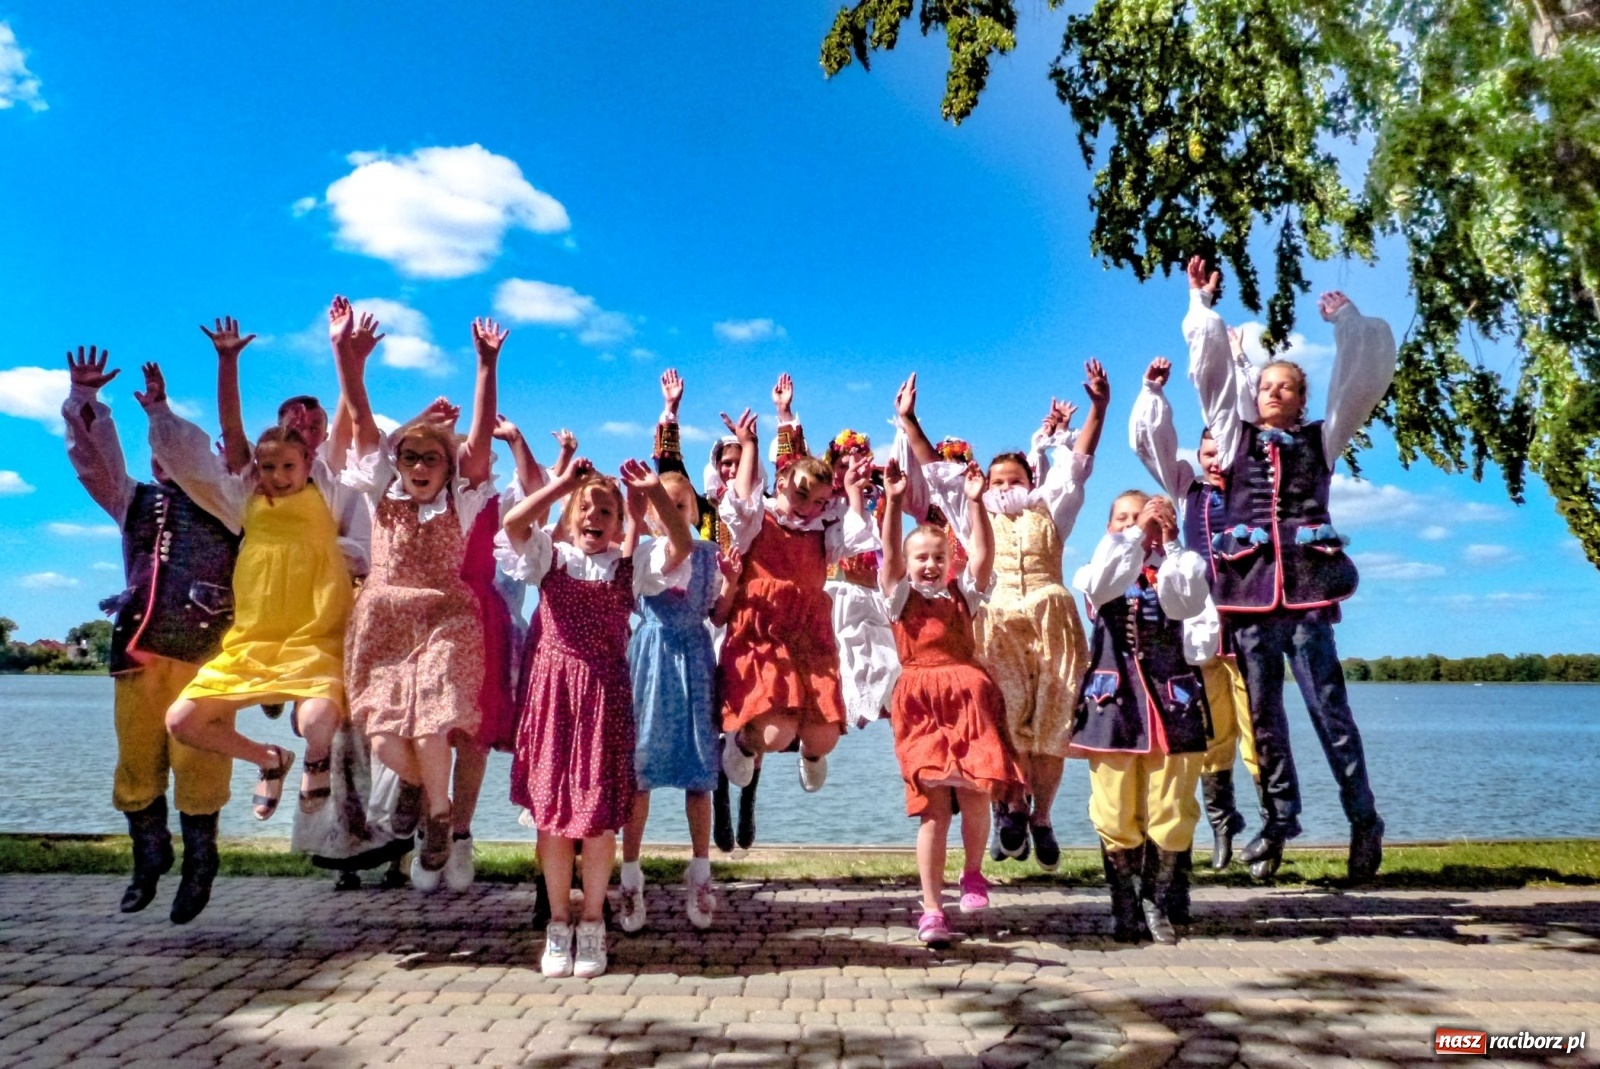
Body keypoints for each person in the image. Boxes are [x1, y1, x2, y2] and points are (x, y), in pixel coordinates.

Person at [1184, 256, 1395, 880]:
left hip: (1303, 595)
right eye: (1267, 385)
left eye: (1288, 387)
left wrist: (1347, 322)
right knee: (1264, 720)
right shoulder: (1233, 435)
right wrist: (1202, 306)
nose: (1274, 392)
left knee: (1330, 713)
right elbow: (1211, 377)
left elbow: (1361, 379)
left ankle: (1364, 822)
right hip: (1248, 596)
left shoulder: (1322, 440)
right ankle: (1279, 821)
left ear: (1303, 399)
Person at [146, 359, 357, 918]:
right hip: (252, 643)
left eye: (288, 465)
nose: (278, 475)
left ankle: (314, 759)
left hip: (313, 637)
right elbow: (233, 433)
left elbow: (344, 429)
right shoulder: (245, 502)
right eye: (269, 467)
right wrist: (227, 362)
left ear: (308, 461)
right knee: (183, 720)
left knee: (315, 721)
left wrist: (347, 361)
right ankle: (268, 759)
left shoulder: (328, 492)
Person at [896, 364, 1108, 870]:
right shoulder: (974, 513)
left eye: (1015, 478)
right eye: (997, 479)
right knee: (1005, 723)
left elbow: (1079, 461)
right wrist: (910, 422)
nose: (1006, 485)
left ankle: (1043, 817)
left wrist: (1100, 408)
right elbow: (936, 475)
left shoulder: (1053, 507)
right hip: (996, 624)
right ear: (986, 483)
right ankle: (1010, 808)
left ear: (1031, 481)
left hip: (1052, 623)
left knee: (1053, 727)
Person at [61, 346, 239, 924]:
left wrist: (163, 412)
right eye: (158, 457)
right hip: (138, 651)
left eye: (176, 454)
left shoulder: (233, 511)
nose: (166, 464)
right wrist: (86, 400)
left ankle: (201, 861)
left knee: (200, 762)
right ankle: (149, 851)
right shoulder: (132, 500)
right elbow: (97, 464)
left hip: (206, 655)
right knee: (137, 759)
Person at [337, 309, 507, 890]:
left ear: (447, 467)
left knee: (435, 721)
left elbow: (480, 437)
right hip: (384, 621)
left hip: (445, 616)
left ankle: (439, 821)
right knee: (384, 739)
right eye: (408, 457)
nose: (418, 466)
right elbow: (360, 418)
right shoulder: (380, 493)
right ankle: (415, 788)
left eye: (430, 458)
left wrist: (486, 366)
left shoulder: (460, 502)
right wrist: (348, 359)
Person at [501, 455, 689, 978]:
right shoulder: (550, 559)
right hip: (553, 696)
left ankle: (593, 924)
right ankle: (557, 924)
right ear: (570, 516)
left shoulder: (629, 570)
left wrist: (652, 494)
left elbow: (679, 547)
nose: (595, 517)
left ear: (618, 523)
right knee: (554, 820)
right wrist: (562, 484)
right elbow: (514, 524)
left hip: (605, 699)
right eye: (586, 508)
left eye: (606, 511)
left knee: (599, 819)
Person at [879, 457, 1024, 946]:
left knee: (977, 790)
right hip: (920, 701)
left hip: (970, 698)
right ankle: (932, 908)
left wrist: (976, 502)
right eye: (921, 557)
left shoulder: (963, 593)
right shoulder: (898, 597)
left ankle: (974, 873)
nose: (929, 565)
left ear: (948, 562)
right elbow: (890, 560)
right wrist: (894, 502)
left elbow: (983, 554)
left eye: (938, 557)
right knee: (933, 808)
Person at [1129, 356, 1261, 870]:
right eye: (1206, 453)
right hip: (1205, 626)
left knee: (1259, 731)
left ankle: (1269, 831)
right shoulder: (1189, 490)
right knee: (1213, 734)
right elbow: (1153, 446)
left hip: (1249, 623)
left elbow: (1244, 424)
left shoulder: (1254, 488)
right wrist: (1153, 393)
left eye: (1219, 453)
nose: (1213, 461)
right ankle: (1223, 825)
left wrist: (1240, 368)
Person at [715, 406, 879, 796]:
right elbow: (740, 500)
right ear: (783, 481)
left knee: (823, 738)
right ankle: (741, 743)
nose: (808, 507)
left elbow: (854, 534)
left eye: (820, 502)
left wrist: (853, 492)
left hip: (809, 633)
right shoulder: (760, 518)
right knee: (774, 733)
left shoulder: (824, 528)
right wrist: (749, 444)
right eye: (802, 495)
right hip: (763, 631)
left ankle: (812, 756)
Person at [1071, 491, 1212, 944]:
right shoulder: (1097, 567)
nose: (1139, 523)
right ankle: (1123, 903)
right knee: (1114, 809)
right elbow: (1105, 585)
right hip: (1114, 704)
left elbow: (1186, 605)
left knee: (1172, 808)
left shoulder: (1180, 564)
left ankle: (1156, 900)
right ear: (1110, 526)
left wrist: (1170, 543)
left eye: (1149, 515)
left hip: (1173, 702)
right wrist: (1134, 536)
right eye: (1124, 517)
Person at [650, 369, 763, 853]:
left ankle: (748, 800)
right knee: (713, 715)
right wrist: (671, 412)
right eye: (727, 459)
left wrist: (772, 431)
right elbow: (666, 471)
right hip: (701, 611)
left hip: (745, 610)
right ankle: (716, 800)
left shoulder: (759, 505)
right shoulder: (697, 509)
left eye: (742, 460)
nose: (734, 466)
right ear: (715, 464)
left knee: (749, 712)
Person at [618, 467, 721, 932]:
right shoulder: (647, 553)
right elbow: (669, 547)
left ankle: (700, 871)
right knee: (641, 774)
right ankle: (630, 875)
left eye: (682, 505)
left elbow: (718, 611)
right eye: (666, 505)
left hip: (695, 659)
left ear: (696, 511)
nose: (672, 512)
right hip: (654, 659)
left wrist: (734, 582)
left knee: (700, 773)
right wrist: (642, 512)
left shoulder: (710, 556)